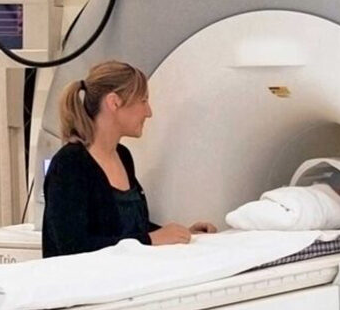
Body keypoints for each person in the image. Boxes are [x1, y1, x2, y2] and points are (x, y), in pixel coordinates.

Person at [42, 61, 216, 257]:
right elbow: (73, 246)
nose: (148, 112)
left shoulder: (122, 156)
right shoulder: (70, 164)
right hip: (89, 283)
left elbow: (127, 230)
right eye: (143, 101)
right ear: (114, 102)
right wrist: (151, 240)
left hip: (128, 277)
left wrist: (182, 235)